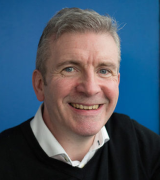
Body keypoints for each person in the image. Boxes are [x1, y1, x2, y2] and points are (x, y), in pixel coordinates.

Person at [0, 7, 160, 180]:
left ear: (117, 81)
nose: (90, 88)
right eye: (69, 69)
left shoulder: (146, 149)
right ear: (40, 85)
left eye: (104, 71)